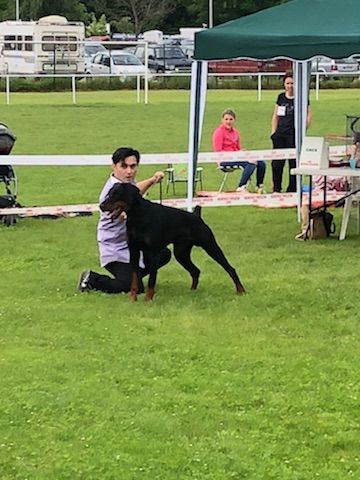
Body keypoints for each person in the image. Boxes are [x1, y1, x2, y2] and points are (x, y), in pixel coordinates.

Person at [78, 147, 171, 294]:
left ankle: (134, 275)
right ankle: (91, 279)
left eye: (133, 166)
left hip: (131, 245)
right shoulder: (111, 192)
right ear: (114, 166)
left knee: (163, 253)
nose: (129, 171)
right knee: (134, 287)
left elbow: (134, 191)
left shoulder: (128, 185)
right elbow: (123, 210)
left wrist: (153, 180)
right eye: (124, 166)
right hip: (114, 248)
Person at [271, 72, 312, 193]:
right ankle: (276, 188)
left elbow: (309, 114)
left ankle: (293, 189)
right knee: (277, 163)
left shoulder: (301, 97)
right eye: (288, 83)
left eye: (292, 83)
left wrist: (303, 128)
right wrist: (273, 132)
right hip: (280, 134)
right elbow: (275, 115)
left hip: (293, 135)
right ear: (284, 84)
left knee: (293, 163)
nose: (290, 86)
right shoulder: (280, 97)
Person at [212, 108, 266, 193]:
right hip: (224, 160)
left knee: (261, 162)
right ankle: (241, 186)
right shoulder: (219, 132)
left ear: (234, 120)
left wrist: (242, 152)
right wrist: (236, 153)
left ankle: (259, 186)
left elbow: (237, 148)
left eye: (231, 119)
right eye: (226, 119)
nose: (228, 121)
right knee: (251, 162)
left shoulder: (236, 132)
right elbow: (218, 151)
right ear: (222, 120)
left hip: (236, 157)